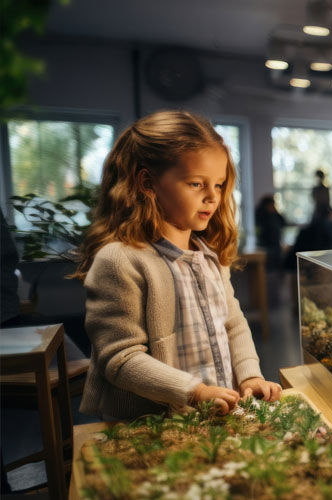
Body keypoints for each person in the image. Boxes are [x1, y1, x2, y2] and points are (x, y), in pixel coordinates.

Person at [72, 110, 281, 420]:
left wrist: (250, 375)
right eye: (197, 184)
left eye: (220, 185)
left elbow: (233, 325)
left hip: (213, 420)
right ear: (147, 183)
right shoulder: (119, 260)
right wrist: (194, 392)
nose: (212, 197)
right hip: (152, 427)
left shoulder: (209, 256)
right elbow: (120, 358)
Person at [254, 194, 286, 270]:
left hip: (276, 246)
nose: (272, 206)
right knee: (268, 268)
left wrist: (276, 211)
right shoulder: (261, 216)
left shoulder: (274, 215)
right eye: (271, 204)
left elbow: (284, 223)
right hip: (266, 247)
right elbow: (260, 232)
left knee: (277, 267)